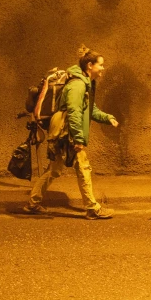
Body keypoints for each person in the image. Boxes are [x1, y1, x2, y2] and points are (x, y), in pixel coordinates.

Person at [24, 45, 119, 219]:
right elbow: (74, 112)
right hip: (66, 134)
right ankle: (92, 208)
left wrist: (107, 118)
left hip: (63, 133)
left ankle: (33, 203)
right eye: (100, 64)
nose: (103, 68)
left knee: (54, 170)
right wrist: (78, 139)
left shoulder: (84, 83)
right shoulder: (77, 85)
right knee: (83, 167)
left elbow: (89, 109)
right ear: (90, 65)